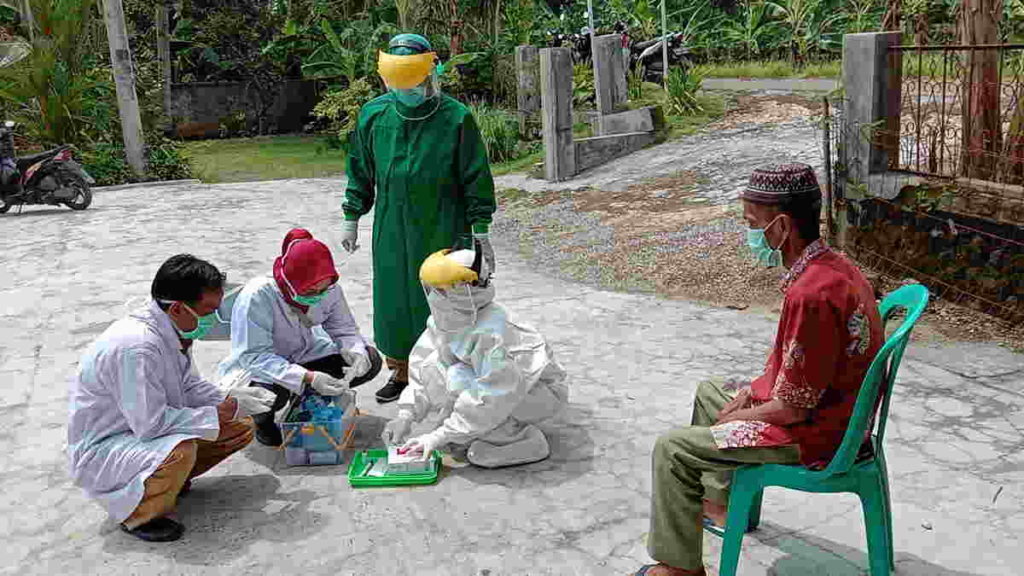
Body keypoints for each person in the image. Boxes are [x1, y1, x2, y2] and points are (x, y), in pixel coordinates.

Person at [634, 164, 884, 576]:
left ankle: (679, 570)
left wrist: (743, 415)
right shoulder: (833, 265)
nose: (750, 235)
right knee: (712, 390)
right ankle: (721, 505)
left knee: (672, 448)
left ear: (781, 227)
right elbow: (800, 366)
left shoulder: (813, 294)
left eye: (753, 224)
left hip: (820, 433)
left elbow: (793, 410)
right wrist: (752, 392)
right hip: (835, 407)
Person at [68, 255, 276, 543]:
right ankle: (139, 514)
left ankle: (164, 482)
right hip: (108, 447)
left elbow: (189, 386)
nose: (213, 320)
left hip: (139, 433)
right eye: (208, 311)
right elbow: (150, 425)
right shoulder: (137, 347)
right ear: (178, 308)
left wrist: (232, 399)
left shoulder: (173, 331)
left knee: (239, 425)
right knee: (181, 450)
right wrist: (215, 414)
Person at [340, 32, 497, 404]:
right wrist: (351, 214)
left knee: (446, 298)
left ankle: (450, 371)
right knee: (396, 300)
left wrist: (481, 230)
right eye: (397, 83)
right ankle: (402, 372)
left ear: (429, 74)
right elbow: (360, 169)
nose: (404, 90)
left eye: (410, 82)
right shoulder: (375, 115)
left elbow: (475, 174)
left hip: (444, 223)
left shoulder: (455, 118)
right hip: (392, 228)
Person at [381, 245, 568, 468]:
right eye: (430, 288)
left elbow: (495, 393)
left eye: (440, 289)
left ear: (465, 289)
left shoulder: (493, 331)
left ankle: (519, 440)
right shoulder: (448, 318)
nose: (433, 295)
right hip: (499, 389)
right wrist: (405, 415)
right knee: (436, 366)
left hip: (538, 393)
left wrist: (438, 436)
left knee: (459, 378)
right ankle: (471, 428)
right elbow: (423, 367)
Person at [217, 228, 383, 446]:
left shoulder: (329, 287)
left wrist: (356, 352)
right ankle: (263, 423)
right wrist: (308, 377)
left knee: (371, 359)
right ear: (290, 282)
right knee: (265, 397)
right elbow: (254, 356)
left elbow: (344, 329)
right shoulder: (257, 296)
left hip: (306, 352)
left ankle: (310, 403)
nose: (319, 294)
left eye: (323, 288)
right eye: (311, 291)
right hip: (264, 367)